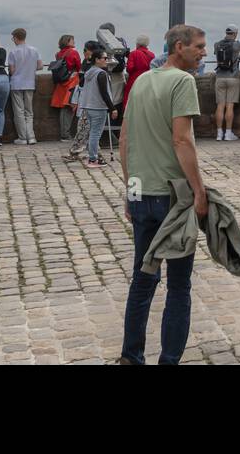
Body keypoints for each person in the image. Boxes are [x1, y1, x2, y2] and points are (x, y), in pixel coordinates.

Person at [116, 24, 208, 365]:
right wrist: (199, 190)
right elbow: (182, 140)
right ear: (178, 47)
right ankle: (169, 360)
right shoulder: (183, 82)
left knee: (143, 279)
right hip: (173, 197)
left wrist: (130, 189)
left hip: (142, 195)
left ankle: (131, 355)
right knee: (179, 286)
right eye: (198, 47)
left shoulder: (141, 81)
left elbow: (125, 140)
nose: (203, 53)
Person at [79, 47, 118, 167]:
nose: (106, 60)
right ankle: (93, 159)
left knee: (93, 133)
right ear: (97, 59)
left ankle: (92, 157)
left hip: (89, 106)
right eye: (104, 58)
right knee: (96, 134)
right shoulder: (101, 74)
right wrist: (112, 108)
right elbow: (104, 93)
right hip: (98, 107)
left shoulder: (89, 72)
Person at [6, 29, 42, 145]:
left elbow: (12, 70)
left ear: (16, 37)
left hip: (16, 83)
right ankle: (31, 136)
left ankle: (22, 137)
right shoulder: (34, 50)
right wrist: (30, 70)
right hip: (30, 82)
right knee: (29, 111)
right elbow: (40, 66)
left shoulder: (13, 52)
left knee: (19, 112)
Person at [211, 25, 240, 142]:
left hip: (219, 77)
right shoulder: (238, 45)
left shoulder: (217, 44)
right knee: (230, 105)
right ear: (235, 33)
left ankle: (219, 133)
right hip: (233, 77)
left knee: (220, 106)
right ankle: (228, 133)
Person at [51, 34, 81, 139]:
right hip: (72, 81)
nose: (74, 42)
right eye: (72, 40)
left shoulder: (58, 54)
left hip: (61, 82)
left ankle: (64, 133)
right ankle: (66, 134)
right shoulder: (74, 52)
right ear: (68, 41)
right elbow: (79, 66)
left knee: (64, 108)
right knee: (69, 108)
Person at [124, 34, 155, 108]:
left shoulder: (133, 53)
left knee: (130, 103)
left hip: (134, 81)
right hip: (147, 81)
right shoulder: (152, 55)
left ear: (137, 44)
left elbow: (129, 68)